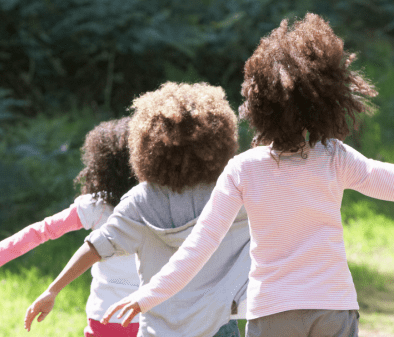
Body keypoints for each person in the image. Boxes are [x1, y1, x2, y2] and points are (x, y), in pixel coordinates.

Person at [100, 13, 394, 337]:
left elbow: (198, 247)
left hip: (272, 313)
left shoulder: (244, 170)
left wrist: (148, 296)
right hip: (333, 307)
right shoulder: (334, 158)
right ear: (326, 98)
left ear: (257, 103)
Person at [24, 82, 250, 337]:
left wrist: (52, 290)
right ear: (219, 139)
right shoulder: (229, 192)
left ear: (147, 143)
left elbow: (96, 246)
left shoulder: (142, 200)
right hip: (217, 325)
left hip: (160, 327)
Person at [0, 117, 142, 336]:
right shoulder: (162, 205)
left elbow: (41, 231)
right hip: (156, 316)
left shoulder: (97, 206)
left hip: (107, 316)